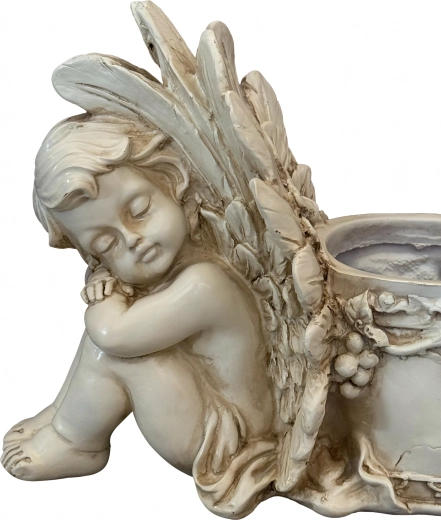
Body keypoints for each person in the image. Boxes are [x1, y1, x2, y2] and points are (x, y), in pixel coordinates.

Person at [2, 114, 277, 517]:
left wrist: (107, 296)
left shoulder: (206, 283)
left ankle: (78, 442)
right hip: (210, 409)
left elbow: (114, 334)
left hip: (228, 439)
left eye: (140, 209)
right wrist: (111, 286)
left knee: (124, 353)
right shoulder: (170, 276)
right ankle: (65, 416)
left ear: (175, 185)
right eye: (105, 244)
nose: (133, 240)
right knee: (110, 338)